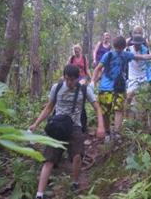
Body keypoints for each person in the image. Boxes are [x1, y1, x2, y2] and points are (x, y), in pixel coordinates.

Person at [29, 65, 104, 199]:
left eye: (72, 80)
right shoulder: (56, 88)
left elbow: (97, 107)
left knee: (77, 156)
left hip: (74, 126)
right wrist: (36, 124)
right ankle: (39, 194)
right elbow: (48, 108)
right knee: (49, 159)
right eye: (67, 79)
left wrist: (101, 126)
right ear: (64, 77)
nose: (70, 83)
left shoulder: (84, 89)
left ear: (77, 78)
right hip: (57, 126)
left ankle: (75, 182)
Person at [91, 36, 151, 140]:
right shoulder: (109, 55)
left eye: (120, 48)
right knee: (107, 111)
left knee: (117, 109)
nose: (119, 50)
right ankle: (109, 133)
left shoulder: (125, 55)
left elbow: (141, 57)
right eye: (118, 48)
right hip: (106, 87)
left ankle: (115, 133)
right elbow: (98, 68)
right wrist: (93, 81)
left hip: (118, 87)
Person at [126, 35, 151, 105]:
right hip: (133, 78)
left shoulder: (146, 50)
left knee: (145, 98)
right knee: (129, 97)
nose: (137, 46)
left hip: (144, 76)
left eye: (139, 44)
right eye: (136, 44)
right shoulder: (128, 50)